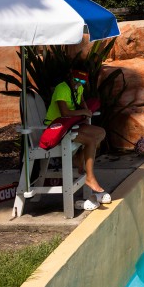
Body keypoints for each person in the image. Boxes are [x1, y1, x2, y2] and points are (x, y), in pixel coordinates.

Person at [44, 69, 108, 211]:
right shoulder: (62, 88)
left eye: (83, 82)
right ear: (71, 78)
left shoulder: (78, 88)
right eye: (77, 81)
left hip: (70, 126)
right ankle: (89, 177)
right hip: (56, 128)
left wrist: (86, 111)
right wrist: (83, 112)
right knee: (91, 141)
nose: (79, 84)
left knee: (100, 133)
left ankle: (80, 161)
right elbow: (64, 112)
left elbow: (82, 101)